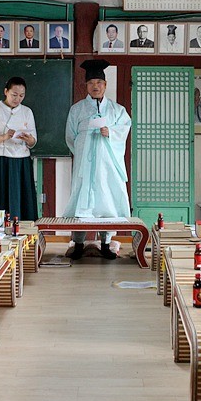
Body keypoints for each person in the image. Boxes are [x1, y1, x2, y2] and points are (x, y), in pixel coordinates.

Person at [64, 59, 132, 260]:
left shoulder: (117, 110)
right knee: (81, 201)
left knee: (107, 201)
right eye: (91, 83)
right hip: (85, 163)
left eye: (99, 82)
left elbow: (124, 129)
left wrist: (110, 132)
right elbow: (70, 136)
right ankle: (78, 243)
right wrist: (83, 149)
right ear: (86, 85)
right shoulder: (77, 109)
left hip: (107, 165)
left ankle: (106, 243)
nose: (95, 86)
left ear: (105, 85)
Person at [0, 77, 38, 221]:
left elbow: (33, 141)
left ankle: (24, 230)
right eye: (14, 95)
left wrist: (28, 139)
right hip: (1, 159)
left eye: (21, 96)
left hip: (22, 160)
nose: (17, 99)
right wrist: (5, 137)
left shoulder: (27, 111)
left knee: (22, 200)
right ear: (6, 91)